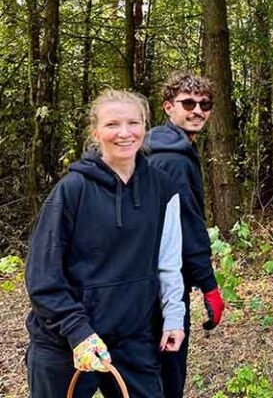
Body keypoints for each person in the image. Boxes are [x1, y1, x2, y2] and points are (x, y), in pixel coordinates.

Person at [25, 89, 185, 398]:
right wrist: (77, 332)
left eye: (133, 123)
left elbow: (168, 263)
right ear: (96, 132)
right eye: (112, 124)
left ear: (145, 126)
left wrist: (174, 318)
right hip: (66, 342)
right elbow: (42, 277)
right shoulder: (72, 190)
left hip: (132, 339)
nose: (124, 133)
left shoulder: (163, 187)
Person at [146, 71, 225, 398]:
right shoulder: (174, 160)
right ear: (168, 107)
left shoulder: (162, 148)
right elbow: (187, 226)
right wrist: (208, 284)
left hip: (147, 275)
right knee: (168, 371)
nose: (198, 111)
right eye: (188, 103)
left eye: (204, 104)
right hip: (164, 280)